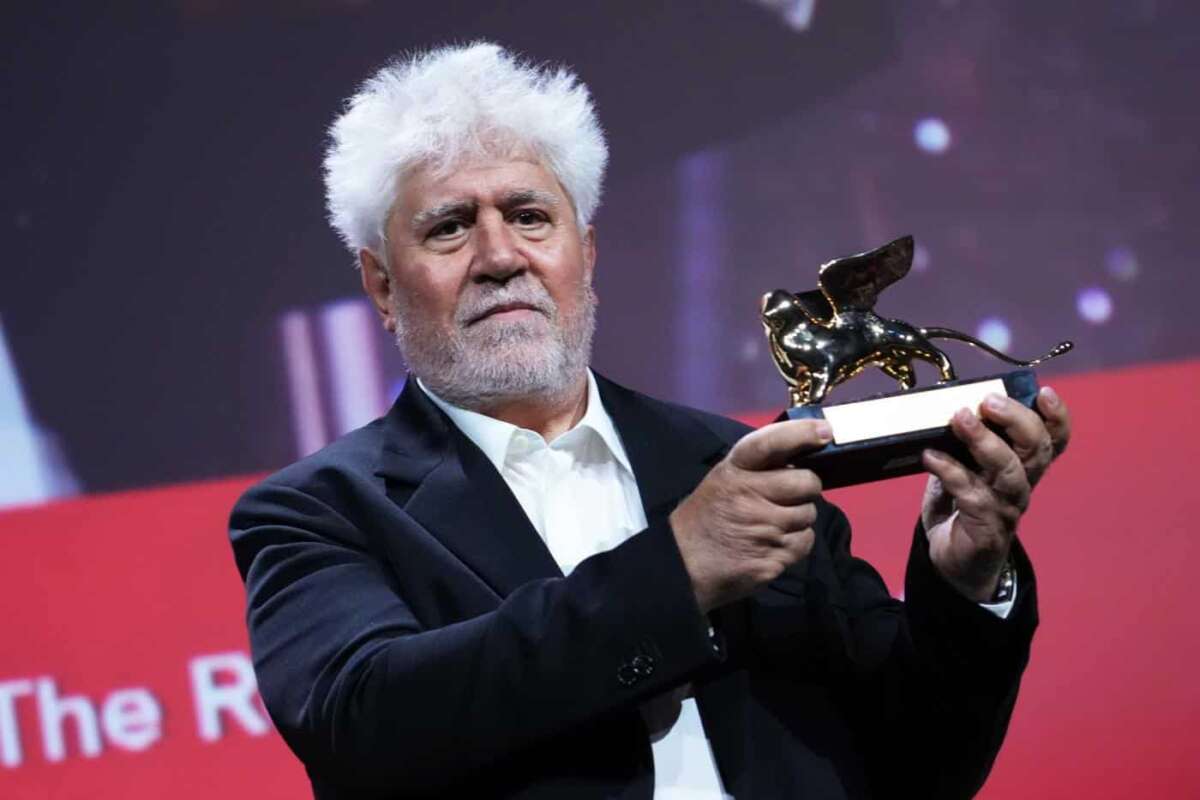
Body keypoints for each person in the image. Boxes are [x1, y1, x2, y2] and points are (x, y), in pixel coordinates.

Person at [229, 42, 1071, 799]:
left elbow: (918, 764)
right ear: (382, 286)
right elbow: (367, 725)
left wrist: (964, 583)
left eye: (529, 216)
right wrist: (676, 573)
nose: (498, 257)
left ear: (584, 254)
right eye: (450, 228)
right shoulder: (320, 510)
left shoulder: (728, 459)